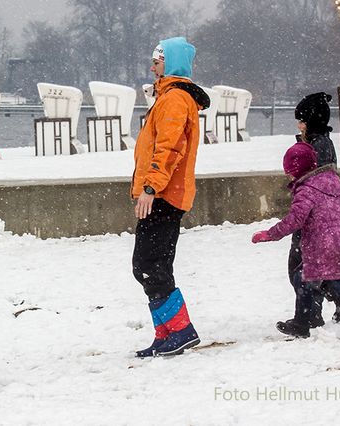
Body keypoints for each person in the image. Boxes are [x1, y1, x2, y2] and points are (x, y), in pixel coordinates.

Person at [252, 142, 340, 343]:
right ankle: (302, 324)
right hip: (338, 240)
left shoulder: (307, 190)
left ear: (298, 168)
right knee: (302, 278)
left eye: (289, 171)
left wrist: (270, 234)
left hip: (322, 244)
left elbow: (295, 219)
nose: (287, 175)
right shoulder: (330, 181)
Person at [130, 37, 210, 358]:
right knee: (151, 265)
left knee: (149, 264)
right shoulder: (168, 97)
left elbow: (169, 148)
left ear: (172, 64)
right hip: (162, 193)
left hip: (164, 195)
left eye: (158, 62)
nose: (152, 67)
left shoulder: (176, 99)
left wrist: (151, 187)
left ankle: (180, 331)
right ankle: (166, 333)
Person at [282, 92, 340, 328]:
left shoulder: (316, 146)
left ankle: (316, 311)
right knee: (307, 267)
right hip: (318, 218)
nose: (299, 125)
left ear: (311, 122)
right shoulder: (320, 143)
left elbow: (311, 183)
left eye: (302, 121)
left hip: (313, 219)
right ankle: (323, 304)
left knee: (300, 268)